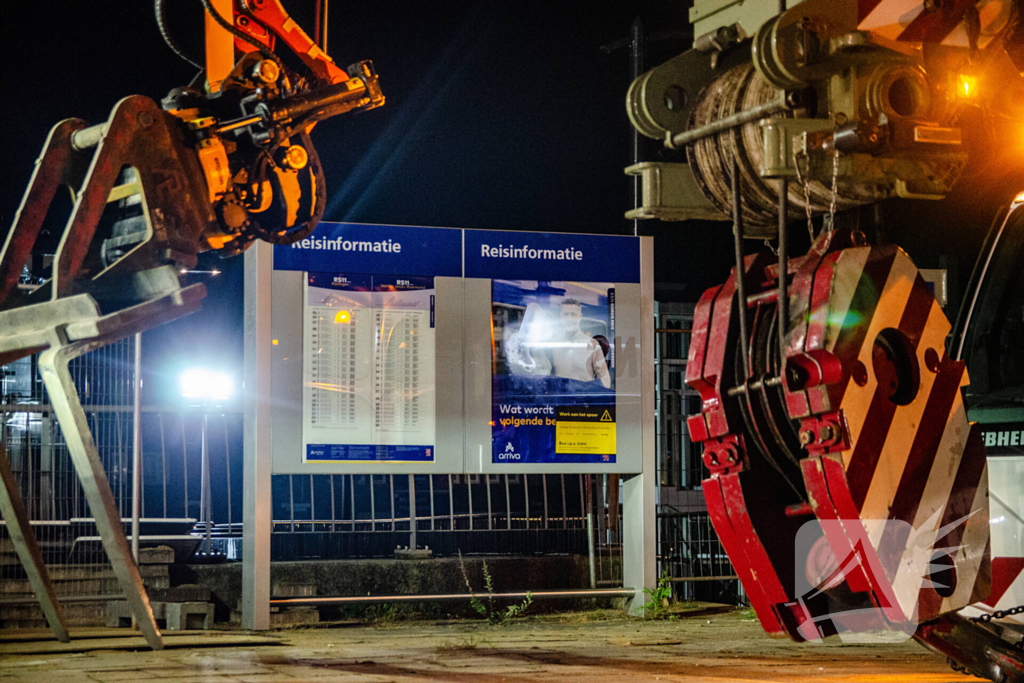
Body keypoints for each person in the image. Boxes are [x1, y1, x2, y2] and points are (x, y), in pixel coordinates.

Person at [549, 298, 611, 388]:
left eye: (573, 314)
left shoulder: (592, 344)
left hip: (583, 400)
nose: (569, 318)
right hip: (559, 399)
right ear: (560, 317)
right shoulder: (552, 343)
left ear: (580, 317)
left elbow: (604, 377)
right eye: (565, 314)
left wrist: (592, 398)